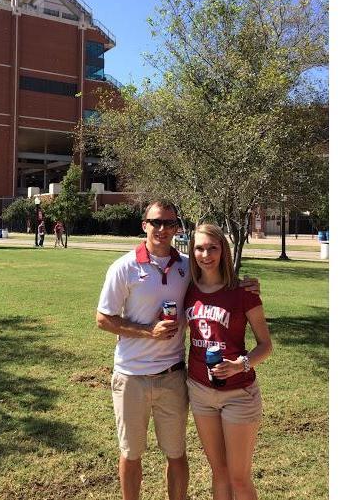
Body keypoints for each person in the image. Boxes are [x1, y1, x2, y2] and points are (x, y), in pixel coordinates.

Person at [96, 201, 259, 500]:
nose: (162, 229)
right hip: (131, 375)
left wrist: (246, 286)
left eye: (169, 223)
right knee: (131, 453)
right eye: (156, 222)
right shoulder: (124, 267)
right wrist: (148, 331)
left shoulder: (187, 266)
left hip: (173, 375)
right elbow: (103, 319)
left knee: (176, 453)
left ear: (176, 228)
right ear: (144, 224)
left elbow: (217, 283)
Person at [184, 224, 272, 500]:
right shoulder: (187, 289)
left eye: (213, 247)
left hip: (239, 394)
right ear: (192, 251)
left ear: (224, 250)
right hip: (200, 392)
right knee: (218, 472)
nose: (206, 254)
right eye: (199, 248)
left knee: (239, 478)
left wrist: (240, 364)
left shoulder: (243, 292)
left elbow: (266, 345)